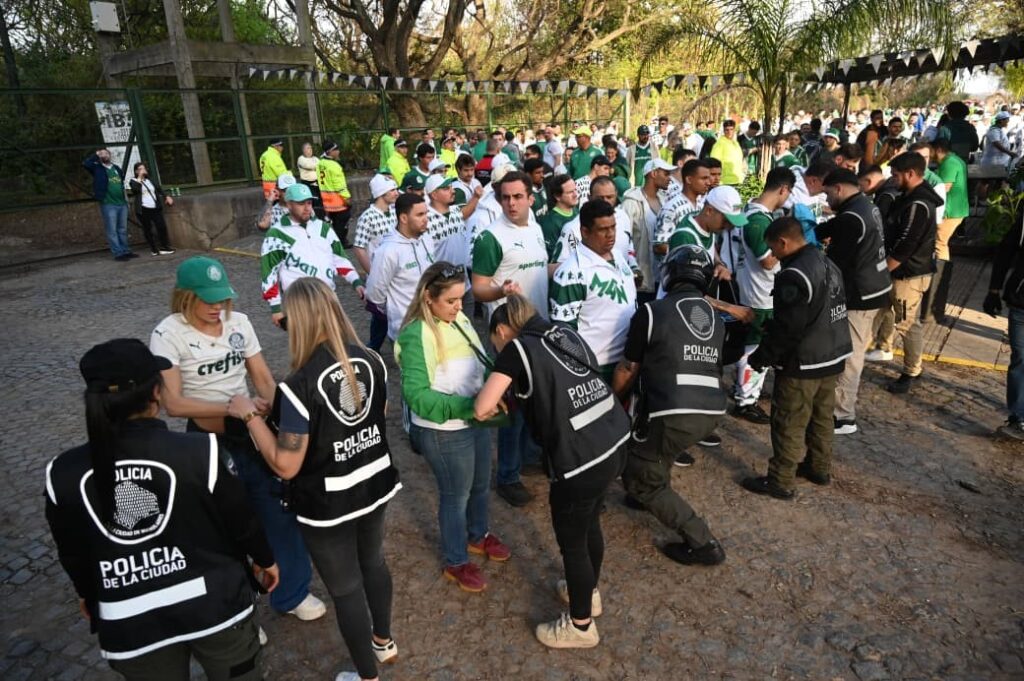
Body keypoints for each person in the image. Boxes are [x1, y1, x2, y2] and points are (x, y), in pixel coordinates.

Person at [45, 338, 278, 679]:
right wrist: (265, 559)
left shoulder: (62, 473)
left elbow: (72, 550)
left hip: (130, 622)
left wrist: (87, 593)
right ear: (157, 393)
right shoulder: (202, 452)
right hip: (215, 606)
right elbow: (241, 523)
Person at [227, 277, 401, 681]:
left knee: (345, 588)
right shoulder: (372, 360)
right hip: (374, 481)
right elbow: (380, 409)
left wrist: (251, 416)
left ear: (297, 321)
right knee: (373, 562)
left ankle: (366, 677)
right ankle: (384, 641)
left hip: (329, 502)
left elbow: (286, 465)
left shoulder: (298, 384)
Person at [150, 257, 325, 626]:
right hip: (207, 442)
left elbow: (261, 376)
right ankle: (238, 614)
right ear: (184, 297)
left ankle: (291, 592)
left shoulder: (239, 322)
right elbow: (173, 402)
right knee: (222, 530)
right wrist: (233, 408)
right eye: (208, 300)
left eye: (222, 299)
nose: (217, 308)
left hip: (249, 433)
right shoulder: (168, 334)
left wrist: (285, 414)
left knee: (279, 513)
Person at [475, 295, 629, 649]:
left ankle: (580, 626)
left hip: (580, 458)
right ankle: (588, 593)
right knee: (590, 522)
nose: (497, 348)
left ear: (501, 330)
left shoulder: (517, 349)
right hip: (614, 437)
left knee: (572, 541)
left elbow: (483, 407)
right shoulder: (563, 332)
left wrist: (497, 395)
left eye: (495, 342)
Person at [395, 262, 511, 594]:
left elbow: (480, 364)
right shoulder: (417, 333)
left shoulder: (457, 320)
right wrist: (471, 407)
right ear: (428, 298)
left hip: (474, 419)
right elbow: (416, 395)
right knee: (454, 495)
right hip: (443, 430)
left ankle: (478, 535)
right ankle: (455, 560)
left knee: (478, 485)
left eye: (461, 299)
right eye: (451, 301)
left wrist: (492, 389)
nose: (460, 307)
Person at [611, 245, 728, 565]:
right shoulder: (715, 319)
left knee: (639, 475)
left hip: (672, 408)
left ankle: (702, 542)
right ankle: (649, 490)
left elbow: (627, 368)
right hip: (710, 409)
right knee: (658, 448)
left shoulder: (652, 312)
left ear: (670, 274)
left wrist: (611, 402)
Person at [741, 217, 852, 499]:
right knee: (822, 416)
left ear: (783, 242)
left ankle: (781, 479)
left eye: (773, 249)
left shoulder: (794, 275)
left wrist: (762, 357)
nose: (773, 256)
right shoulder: (827, 262)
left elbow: (788, 328)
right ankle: (819, 467)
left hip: (803, 361)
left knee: (789, 420)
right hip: (833, 354)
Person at [471, 171, 549, 507]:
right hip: (510, 336)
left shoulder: (536, 228)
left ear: (531, 198)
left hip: (536, 328)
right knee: (512, 407)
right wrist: (499, 291)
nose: (511, 203)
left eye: (518, 197)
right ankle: (507, 475)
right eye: (505, 197)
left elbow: (538, 270)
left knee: (536, 399)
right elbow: (477, 287)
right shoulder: (490, 237)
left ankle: (530, 456)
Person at [816, 169, 891, 435]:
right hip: (877, 287)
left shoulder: (851, 216)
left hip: (861, 294)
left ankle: (842, 415)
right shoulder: (865, 205)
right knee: (851, 351)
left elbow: (836, 264)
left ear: (838, 188)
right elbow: (835, 227)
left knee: (849, 355)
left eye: (827, 193)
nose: (826, 199)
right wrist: (815, 229)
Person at [727, 168, 796, 426]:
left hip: (759, 291)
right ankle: (745, 400)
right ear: (783, 190)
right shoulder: (757, 220)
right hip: (759, 295)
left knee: (755, 348)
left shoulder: (755, 214)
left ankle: (748, 392)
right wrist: (794, 248)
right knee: (754, 348)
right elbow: (767, 260)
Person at [549, 200, 638, 378]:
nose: (611, 234)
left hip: (626, 362)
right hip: (596, 369)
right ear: (585, 231)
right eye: (603, 229)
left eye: (613, 227)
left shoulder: (618, 256)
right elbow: (563, 333)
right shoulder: (571, 273)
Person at [260, 183, 365, 328]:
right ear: (289, 205)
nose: (307, 207)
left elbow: (339, 258)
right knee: (308, 347)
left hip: (328, 298)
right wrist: (275, 308)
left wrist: (356, 282)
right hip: (299, 304)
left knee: (336, 342)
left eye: (309, 202)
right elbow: (269, 272)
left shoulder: (323, 228)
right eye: (301, 203)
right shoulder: (277, 234)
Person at [882, 152, 943, 394]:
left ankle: (912, 370)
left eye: (896, 175)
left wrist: (885, 270)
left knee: (906, 323)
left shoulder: (918, 204)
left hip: (908, 275)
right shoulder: (910, 198)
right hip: (905, 272)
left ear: (910, 174)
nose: (893, 179)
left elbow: (906, 243)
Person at [365, 193, 437, 343]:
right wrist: (397, 317)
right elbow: (374, 295)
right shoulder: (387, 251)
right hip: (407, 333)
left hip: (434, 325)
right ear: (403, 218)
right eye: (420, 215)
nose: (426, 219)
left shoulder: (427, 239)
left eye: (426, 213)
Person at [983, 205, 1024, 440]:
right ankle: (1018, 417)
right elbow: (1006, 251)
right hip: (1020, 301)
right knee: (1020, 358)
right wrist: (994, 289)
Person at [352, 174, 399, 351]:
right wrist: (373, 274)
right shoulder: (368, 217)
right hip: (381, 274)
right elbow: (359, 247)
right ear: (381, 193)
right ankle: (373, 349)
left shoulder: (395, 211)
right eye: (392, 190)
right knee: (379, 315)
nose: (396, 193)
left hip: (397, 273)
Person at [926, 137, 970, 325]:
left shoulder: (949, 163)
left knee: (939, 243)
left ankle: (940, 274)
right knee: (940, 243)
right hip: (956, 209)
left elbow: (943, 188)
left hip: (950, 211)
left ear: (938, 149)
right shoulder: (955, 159)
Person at [623, 158, 674, 304]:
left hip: (662, 278)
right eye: (665, 174)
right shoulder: (631, 202)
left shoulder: (665, 201)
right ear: (653, 173)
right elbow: (624, 238)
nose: (669, 178)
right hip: (642, 281)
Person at [83, 148, 135, 261]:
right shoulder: (97, 168)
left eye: (106, 153)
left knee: (123, 229)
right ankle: (118, 253)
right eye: (101, 153)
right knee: (112, 230)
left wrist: (126, 200)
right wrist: (95, 155)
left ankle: (126, 250)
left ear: (110, 155)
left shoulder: (116, 168)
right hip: (108, 204)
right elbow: (86, 164)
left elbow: (121, 184)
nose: (104, 155)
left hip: (121, 203)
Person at [654, 160, 710, 253]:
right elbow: (659, 245)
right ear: (689, 180)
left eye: (708, 178)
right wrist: (689, 255)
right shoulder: (672, 208)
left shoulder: (703, 206)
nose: (708, 182)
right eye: (704, 178)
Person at [128, 161, 175, 256]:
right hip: (143, 208)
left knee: (161, 226)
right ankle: (153, 249)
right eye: (140, 169)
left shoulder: (150, 180)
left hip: (155, 207)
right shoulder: (133, 181)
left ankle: (164, 247)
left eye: (144, 168)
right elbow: (136, 190)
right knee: (147, 229)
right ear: (136, 171)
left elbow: (158, 188)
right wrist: (140, 178)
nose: (143, 170)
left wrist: (166, 196)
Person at [426, 174, 468, 266]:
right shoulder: (425, 220)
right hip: (441, 278)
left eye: (451, 187)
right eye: (446, 189)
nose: (453, 191)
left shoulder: (456, 210)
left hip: (462, 275)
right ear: (434, 195)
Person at [318, 140, 353, 245]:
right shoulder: (334, 166)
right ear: (330, 152)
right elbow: (339, 185)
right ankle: (341, 242)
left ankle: (335, 241)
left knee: (334, 222)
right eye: (336, 149)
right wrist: (347, 198)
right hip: (338, 201)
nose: (338, 151)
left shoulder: (320, 163)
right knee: (342, 223)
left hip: (326, 200)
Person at [541, 174, 581, 258]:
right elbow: (551, 258)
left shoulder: (577, 212)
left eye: (575, 190)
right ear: (557, 196)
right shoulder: (550, 223)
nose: (575, 194)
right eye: (570, 192)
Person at [710, 120, 745, 186]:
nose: (729, 132)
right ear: (723, 131)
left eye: (731, 129)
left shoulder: (736, 143)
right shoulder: (719, 144)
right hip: (725, 181)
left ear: (734, 130)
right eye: (727, 130)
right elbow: (713, 162)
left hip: (737, 179)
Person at [297, 142, 322, 216]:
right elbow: (309, 166)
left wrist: (316, 166)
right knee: (314, 200)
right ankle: (314, 216)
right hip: (307, 183)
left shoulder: (315, 158)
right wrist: (316, 166)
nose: (310, 150)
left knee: (320, 200)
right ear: (303, 150)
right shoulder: (301, 159)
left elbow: (321, 166)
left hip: (317, 182)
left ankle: (322, 216)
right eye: (308, 148)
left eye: (311, 148)